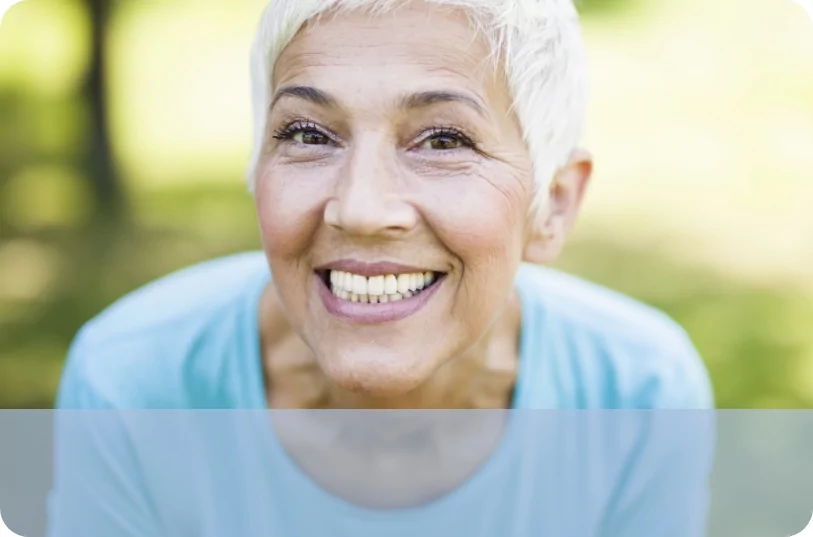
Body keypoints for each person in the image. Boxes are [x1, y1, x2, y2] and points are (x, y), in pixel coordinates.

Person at [48, 1, 716, 536]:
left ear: (553, 205)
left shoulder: (638, 395)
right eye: (307, 134)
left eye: (444, 140)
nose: (362, 208)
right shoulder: (131, 385)